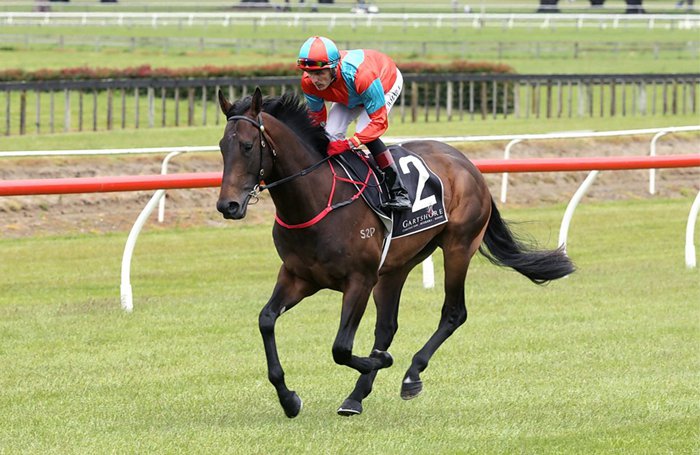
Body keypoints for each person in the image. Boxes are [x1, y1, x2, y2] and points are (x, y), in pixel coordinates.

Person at [296, 36, 411, 211]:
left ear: (334, 68)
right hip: (349, 92)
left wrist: (351, 143)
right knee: (330, 134)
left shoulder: (362, 76)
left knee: (365, 131)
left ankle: (399, 192)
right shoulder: (308, 82)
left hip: (383, 82)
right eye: (310, 73)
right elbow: (317, 119)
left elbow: (379, 123)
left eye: (319, 73)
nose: (315, 80)